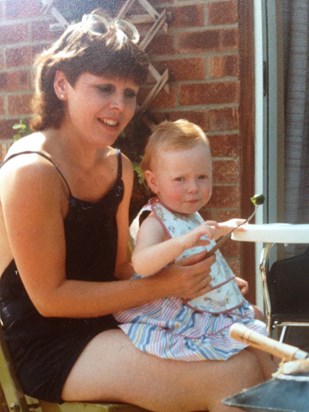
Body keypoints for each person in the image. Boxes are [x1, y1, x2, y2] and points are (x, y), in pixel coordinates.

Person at [0, 9, 273, 412]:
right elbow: (50, 300)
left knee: (253, 343)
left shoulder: (117, 165)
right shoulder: (31, 172)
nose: (120, 105)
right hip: (51, 345)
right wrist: (167, 287)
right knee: (236, 377)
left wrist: (201, 283)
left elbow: (121, 269)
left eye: (129, 93)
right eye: (104, 88)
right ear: (62, 85)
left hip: (114, 318)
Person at [115, 119, 277, 368]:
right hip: (177, 309)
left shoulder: (188, 215)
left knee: (255, 317)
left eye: (202, 177)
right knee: (252, 335)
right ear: (154, 182)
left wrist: (224, 232)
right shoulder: (155, 219)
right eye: (180, 179)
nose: (193, 188)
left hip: (198, 298)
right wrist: (183, 241)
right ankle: (272, 389)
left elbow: (202, 241)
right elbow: (142, 263)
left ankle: (271, 387)